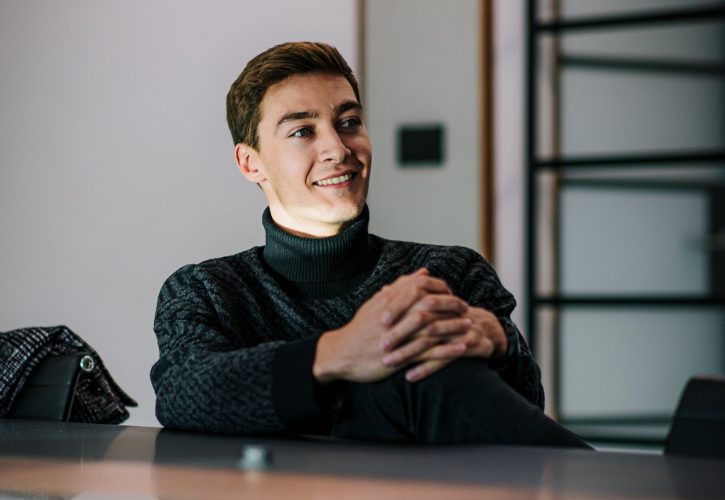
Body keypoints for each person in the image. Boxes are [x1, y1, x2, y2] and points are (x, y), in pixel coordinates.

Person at [150, 41, 589, 447]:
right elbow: (182, 394)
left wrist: (500, 343)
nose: (338, 149)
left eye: (349, 123)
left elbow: (522, 415)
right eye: (303, 131)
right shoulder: (205, 290)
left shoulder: (450, 272)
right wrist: (340, 351)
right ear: (251, 163)